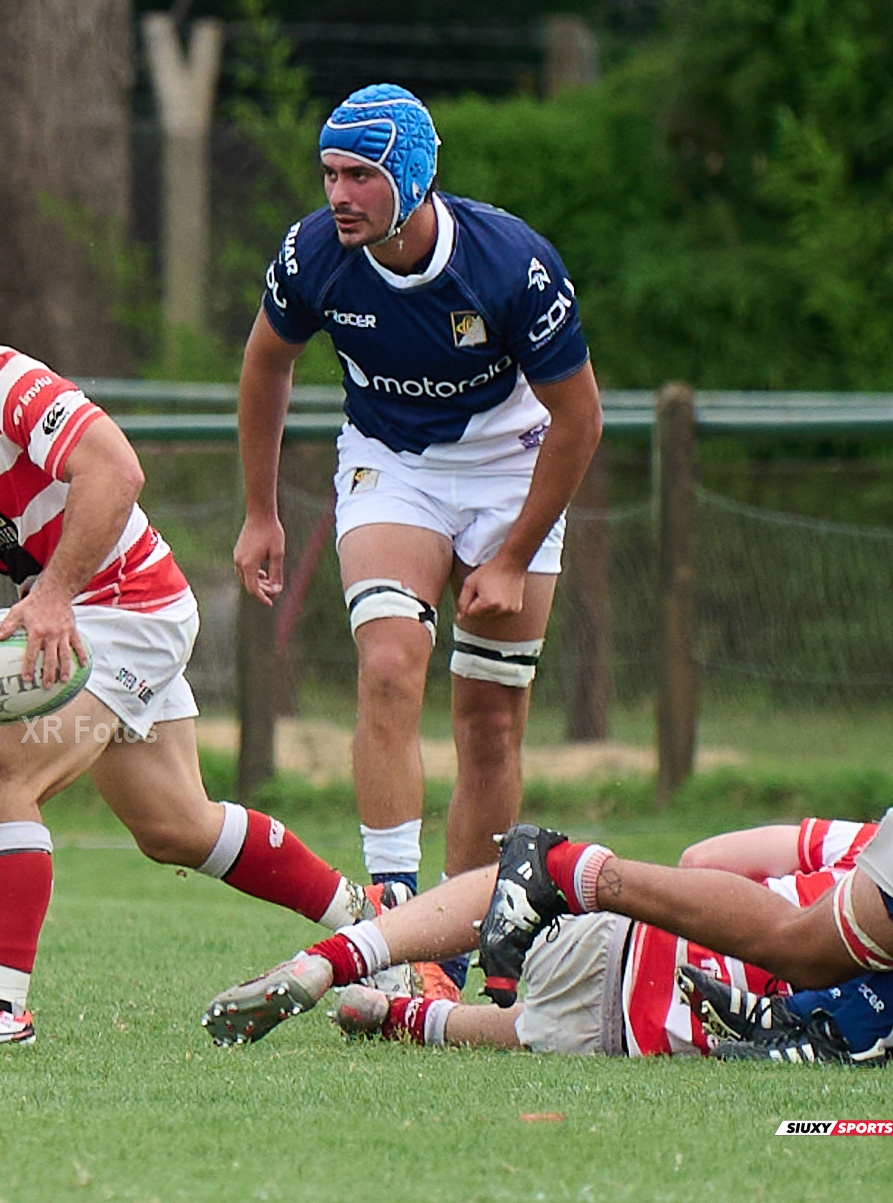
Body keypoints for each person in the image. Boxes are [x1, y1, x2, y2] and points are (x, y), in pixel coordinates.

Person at [0, 243, 388, 1046]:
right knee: (176, 827)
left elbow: (116, 470)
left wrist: (52, 595)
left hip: (127, 606)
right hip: (69, 620)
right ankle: (371, 921)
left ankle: (0, 1009)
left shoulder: (4, 386)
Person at [229, 83, 603, 973]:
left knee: (490, 723)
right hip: (392, 463)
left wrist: (512, 556)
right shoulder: (314, 255)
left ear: (412, 175)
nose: (339, 195)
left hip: (513, 466)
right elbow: (266, 363)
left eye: (360, 175)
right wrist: (260, 511)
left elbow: (580, 420)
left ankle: (458, 943)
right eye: (329, 174)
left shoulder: (511, 264)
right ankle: (396, 937)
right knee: (390, 663)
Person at [205, 818, 893, 1063]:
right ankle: (399, 1015)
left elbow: (703, 862)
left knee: (526, 879)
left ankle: (337, 958)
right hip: (639, 1038)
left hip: (639, 939)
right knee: (527, 1027)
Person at [478, 787, 893, 1064]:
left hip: (629, 986)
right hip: (634, 961)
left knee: (814, 948)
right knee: (805, 947)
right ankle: (558, 865)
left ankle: (823, 1022)